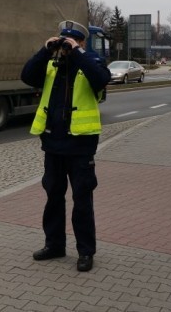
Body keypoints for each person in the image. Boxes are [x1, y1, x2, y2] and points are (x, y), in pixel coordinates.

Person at [21, 20, 111, 272]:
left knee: (82, 200)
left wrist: (78, 52)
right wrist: (45, 50)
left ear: (82, 42)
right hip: (53, 143)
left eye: (72, 41)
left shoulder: (91, 63)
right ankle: (54, 245)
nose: (66, 46)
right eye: (64, 40)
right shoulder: (51, 64)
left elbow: (102, 80)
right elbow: (27, 76)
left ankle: (85, 251)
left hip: (81, 145)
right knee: (53, 197)